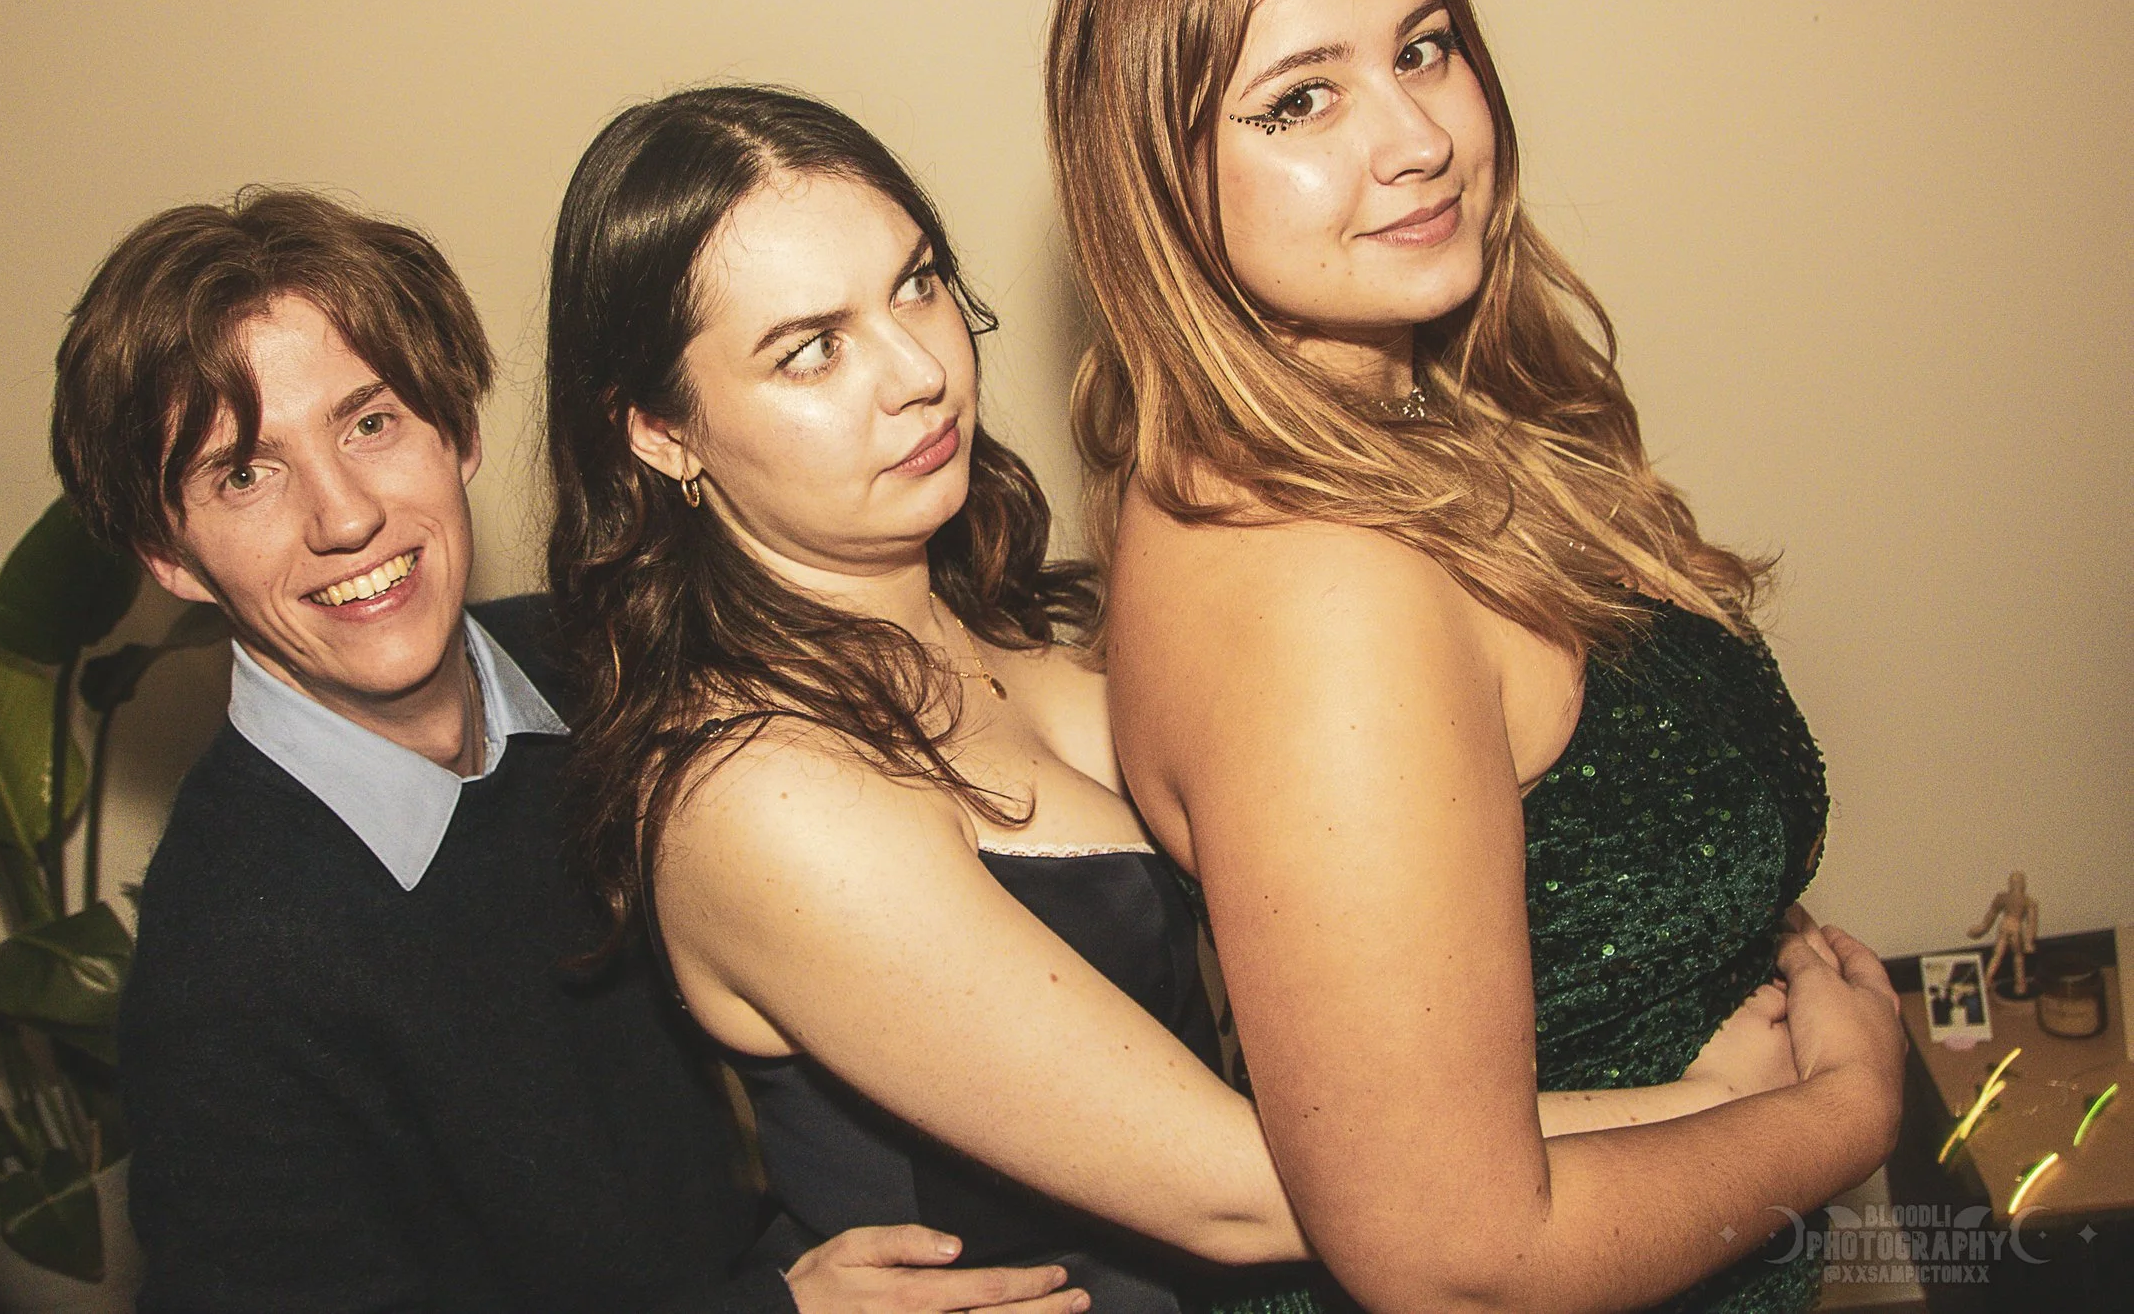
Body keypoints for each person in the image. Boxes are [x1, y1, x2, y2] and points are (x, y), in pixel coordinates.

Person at [542, 87, 1816, 1314]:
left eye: (916, 284)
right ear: (660, 431)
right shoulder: (758, 797)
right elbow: (1243, 1191)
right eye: (811, 350)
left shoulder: (1035, 620)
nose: (916, 370)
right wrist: (1719, 1103)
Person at [1045, 0, 1910, 1313]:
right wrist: (1846, 1111)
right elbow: (1460, 1260)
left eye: (1423, 49)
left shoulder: (1388, 430)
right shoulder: (1322, 594)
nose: (1416, 138)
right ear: (1157, 187)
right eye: (1300, 99)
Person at [52, 188, 1081, 1314]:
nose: (343, 516)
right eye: (245, 474)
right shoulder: (228, 970)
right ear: (171, 554)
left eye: (370, 422)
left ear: (459, 430)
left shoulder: (603, 660)